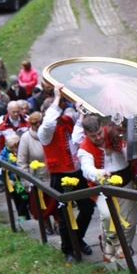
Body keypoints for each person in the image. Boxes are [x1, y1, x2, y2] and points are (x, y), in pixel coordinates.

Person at [38, 84, 95, 263]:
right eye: (53, 110)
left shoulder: (67, 120)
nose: (57, 112)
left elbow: (78, 133)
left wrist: (81, 113)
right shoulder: (44, 130)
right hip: (60, 176)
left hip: (77, 172)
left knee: (87, 207)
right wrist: (56, 97)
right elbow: (48, 122)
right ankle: (67, 248)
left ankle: (77, 239)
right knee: (64, 214)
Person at [77, 116, 137, 263]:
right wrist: (98, 173)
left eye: (99, 133)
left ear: (102, 127)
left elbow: (128, 143)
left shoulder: (113, 132)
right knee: (107, 216)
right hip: (103, 185)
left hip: (125, 181)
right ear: (86, 134)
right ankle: (115, 245)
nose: (98, 137)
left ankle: (122, 251)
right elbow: (86, 168)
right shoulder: (84, 148)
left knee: (129, 222)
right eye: (93, 136)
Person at [17, 111, 59, 234]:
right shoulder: (25, 138)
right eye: (33, 123)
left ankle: (58, 222)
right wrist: (26, 182)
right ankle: (45, 223)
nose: (36, 126)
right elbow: (21, 162)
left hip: (52, 174)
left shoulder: (49, 134)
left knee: (56, 202)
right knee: (40, 204)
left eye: (38, 123)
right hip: (37, 177)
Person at [0, 134, 30, 220]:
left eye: (16, 146)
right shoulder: (4, 154)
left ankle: (25, 217)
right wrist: (8, 179)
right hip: (13, 181)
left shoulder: (22, 150)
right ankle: (23, 219)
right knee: (18, 200)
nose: (14, 149)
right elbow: (1, 168)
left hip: (23, 179)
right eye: (12, 148)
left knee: (25, 197)